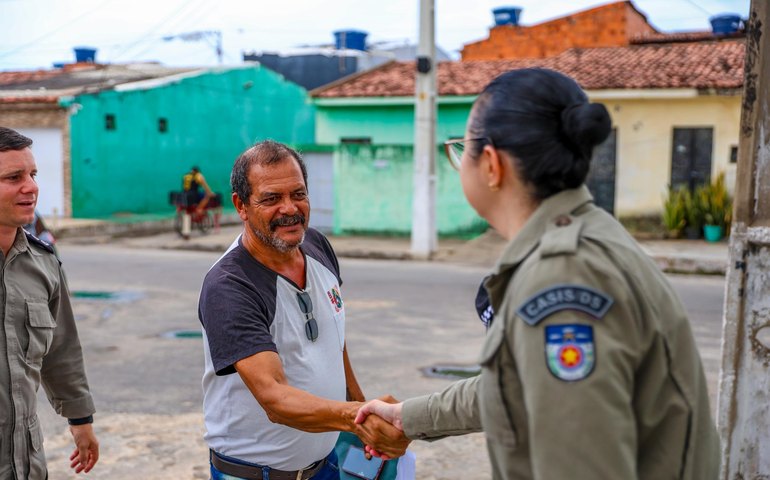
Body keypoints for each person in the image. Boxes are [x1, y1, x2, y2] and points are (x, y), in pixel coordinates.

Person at [356, 68, 720, 479]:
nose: (460, 164)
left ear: (491, 165)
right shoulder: (587, 237)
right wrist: (410, 416)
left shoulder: (560, 278)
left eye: (462, 150)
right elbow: (520, 385)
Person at [198, 140, 408, 480]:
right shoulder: (229, 285)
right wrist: (358, 416)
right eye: (271, 198)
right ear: (241, 205)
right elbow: (275, 399)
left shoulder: (316, 245)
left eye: (298, 194)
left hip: (324, 466)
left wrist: (362, 412)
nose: (289, 209)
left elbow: (334, 340)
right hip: (254, 474)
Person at [0, 127, 99, 479]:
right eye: (14, 177)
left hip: (24, 462)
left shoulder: (43, 263)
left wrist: (80, 419)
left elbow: (61, 350)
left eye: (32, 174)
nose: (31, 186)